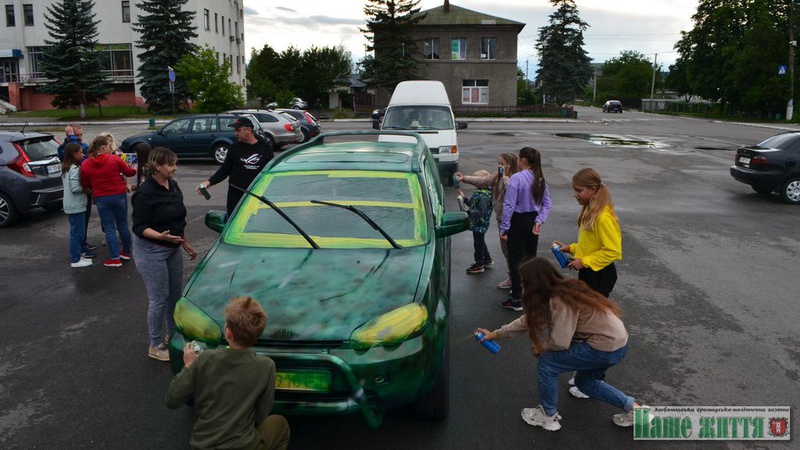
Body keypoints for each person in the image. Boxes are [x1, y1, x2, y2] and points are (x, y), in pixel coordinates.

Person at [475, 257, 643, 431]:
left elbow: (561, 342)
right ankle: (635, 410)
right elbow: (528, 321)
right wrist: (495, 334)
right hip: (618, 344)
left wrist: (542, 348)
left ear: (535, 282)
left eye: (525, 282)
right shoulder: (561, 289)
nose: (523, 286)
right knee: (585, 382)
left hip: (603, 347)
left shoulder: (559, 300)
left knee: (547, 363)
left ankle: (548, 416)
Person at [166, 296, 291, 450]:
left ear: (228, 333)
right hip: (244, 445)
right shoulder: (266, 366)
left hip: (202, 446)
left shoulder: (205, 359)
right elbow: (261, 414)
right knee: (281, 425)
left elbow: (172, 399)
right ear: (257, 335)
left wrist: (190, 365)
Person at [553, 167, 622, 399]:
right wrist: (571, 249)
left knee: (596, 330)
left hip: (600, 277)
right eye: (574, 190)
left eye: (579, 190)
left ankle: (594, 379)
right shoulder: (590, 211)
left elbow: (613, 251)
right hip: (590, 273)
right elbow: (590, 245)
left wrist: (586, 261)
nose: (575, 194)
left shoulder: (603, 216)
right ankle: (586, 374)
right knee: (588, 327)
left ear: (593, 190)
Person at [131, 147, 198, 361]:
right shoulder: (144, 193)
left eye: (175, 163)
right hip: (151, 251)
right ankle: (155, 344)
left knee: (175, 296)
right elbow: (139, 227)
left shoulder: (173, 186)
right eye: (170, 164)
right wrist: (161, 237)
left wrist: (184, 242)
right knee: (159, 298)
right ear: (158, 166)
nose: (175, 168)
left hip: (172, 249)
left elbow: (180, 218)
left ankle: (173, 335)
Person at [499, 147, 552, 311]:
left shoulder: (516, 179)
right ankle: (531, 294)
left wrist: (504, 227)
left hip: (518, 220)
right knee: (530, 258)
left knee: (516, 260)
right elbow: (547, 203)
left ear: (522, 160)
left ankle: (516, 299)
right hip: (532, 221)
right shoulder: (540, 179)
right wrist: (539, 220)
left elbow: (509, 205)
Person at [456, 152, 519, 287]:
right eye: (499, 163)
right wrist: (465, 178)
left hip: (511, 221)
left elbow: (512, 192)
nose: (499, 166)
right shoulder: (497, 177)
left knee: (513, 252)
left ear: (510, 165)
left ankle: (518, 283)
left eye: (502, 163)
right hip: (501, 219)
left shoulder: (513, 179)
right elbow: (484, 181)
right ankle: (512, 278)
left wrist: (507, 177)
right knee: (506, 252)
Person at [198, 116, 274, 218]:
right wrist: (209, 182)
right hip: (236, 195)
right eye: (235, 130)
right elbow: (225, 170)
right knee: (235, 221)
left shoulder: (265, 148)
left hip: (257, 195)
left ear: (249, 129)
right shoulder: (234, 148)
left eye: (238, 130)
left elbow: (271, 171)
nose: (235, 133)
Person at [80, 135, 137, 267]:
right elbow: (130, 172)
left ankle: (115, 258)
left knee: (109, 227)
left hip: (101, 197)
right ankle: (127, 252)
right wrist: (134, 166)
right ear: (104, 147)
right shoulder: (114, 159)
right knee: (122, 225)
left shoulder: (86, 163)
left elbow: (84, 182)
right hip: (119, 195)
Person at [58, 123, 96, 258]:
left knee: (82, 224)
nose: (79, 138)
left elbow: (84, 151)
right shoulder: (68, 152)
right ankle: (79, 251)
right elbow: (67, 152)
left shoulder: (81, 147)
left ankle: (82, 244)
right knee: (77, 229)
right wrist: (71, 138)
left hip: (80, 197)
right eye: (76, 135)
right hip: (76, 200)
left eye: (80, 135)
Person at [61, 143, 92, 268]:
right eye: (80, 152)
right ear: (74, 154)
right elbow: (75, 188)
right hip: (76, 205)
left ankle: (78, 255)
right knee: (78, 233)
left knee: (75, 231)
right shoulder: (75, 169)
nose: (82, 154)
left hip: (70, 204)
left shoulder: (66, 167)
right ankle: (75, 259)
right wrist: (87, 190)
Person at [458, 169, 493, 274]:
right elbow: (472, 204)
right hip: (477, 224)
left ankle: (479, 264)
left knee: (478, 244)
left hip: (480, 223)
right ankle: (487, 259)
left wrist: (468, 212)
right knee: (480, 241)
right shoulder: (479, 192)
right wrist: (464, 199)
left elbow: (480, 212)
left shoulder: (483, 196)